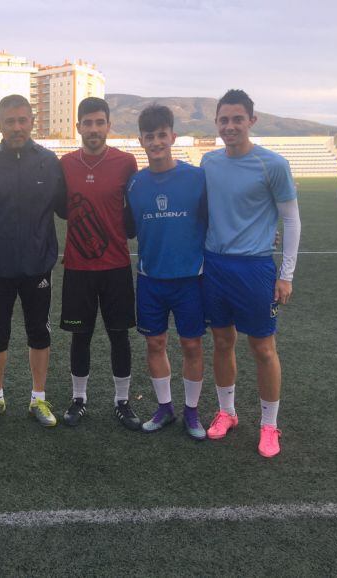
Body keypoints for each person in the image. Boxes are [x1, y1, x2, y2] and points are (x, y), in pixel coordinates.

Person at [200, 89, 301, 458]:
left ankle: (270, 425)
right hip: (215, 266)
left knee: (263, 348)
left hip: (255, 268)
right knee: (222, 342)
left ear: (251, 121)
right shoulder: (209, 163)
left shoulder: (272, 164)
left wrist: (286, 274)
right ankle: (227, 413)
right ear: (216, 123)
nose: (230, 126)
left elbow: (290, 218)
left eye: (237, 119)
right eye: (223, 120)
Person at [0, 94, 65, 427]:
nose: (16, 127)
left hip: (37, 266)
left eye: (22, 120)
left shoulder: (48, 162)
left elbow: (67, 208)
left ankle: (38, 399)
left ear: (31, 122)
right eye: (10, 121)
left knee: (38, 332)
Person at [125, 104, 208, 440]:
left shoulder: (196, 178)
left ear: (172, 136)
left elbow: (220, 220)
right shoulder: (134, 184)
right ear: (141, 140)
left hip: (190, 279)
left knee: (191, 346)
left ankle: (191, 411)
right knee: (155, 343)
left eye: (162, 135)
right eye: (150, 136)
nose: (156, 142)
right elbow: (129, 229)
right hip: (150, 280)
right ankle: (165, 407)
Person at [57, 97, 140, 430]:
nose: (93, 129)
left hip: (116, 266)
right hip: (78, 267)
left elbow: (134, 212)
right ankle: (79, 399)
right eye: (87, 123)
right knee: (81, 336)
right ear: (78, 127)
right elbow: (61, 208)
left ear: (108, 125)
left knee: (120, 335)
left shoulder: (126, 162)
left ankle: (123, 402)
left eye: (99, 122)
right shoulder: (64, 164)